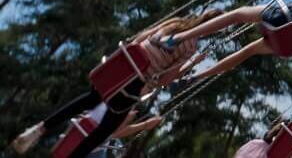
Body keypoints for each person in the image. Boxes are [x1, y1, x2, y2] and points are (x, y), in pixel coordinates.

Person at [11, 16, 203, 156]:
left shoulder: (175, 23)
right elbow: (167, 77)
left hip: (123, 64)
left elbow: (141, 38)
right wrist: (170, 76)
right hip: (136, 80)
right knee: (104, 131)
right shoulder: (191, 45)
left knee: (90, 99)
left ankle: (40, 128)